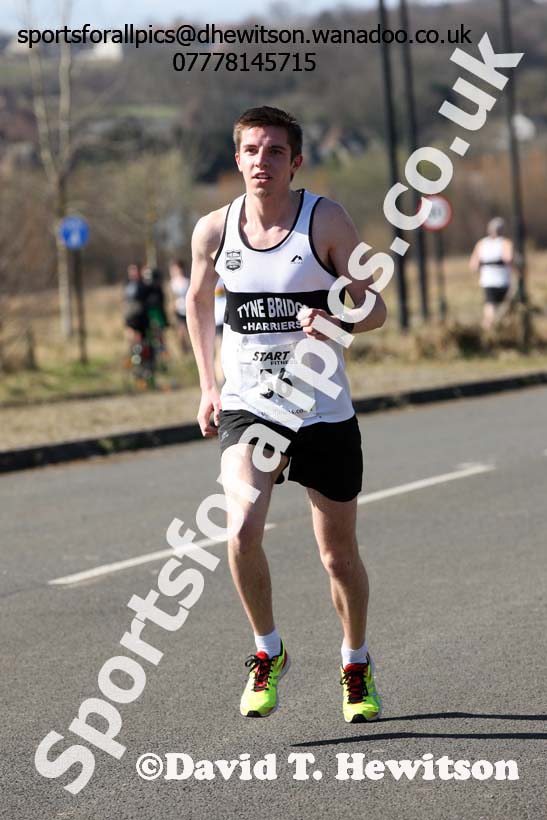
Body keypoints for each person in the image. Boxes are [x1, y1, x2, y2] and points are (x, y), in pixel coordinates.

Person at [186, 106, 387, 723]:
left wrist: (337, 321)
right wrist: (208, 385)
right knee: (241, 531)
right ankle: (268, 651)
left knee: (337, 556)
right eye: (251, 150)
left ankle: (356, 661)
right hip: (250, 409)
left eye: (275, 151)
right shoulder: (213, 231)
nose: (262, 162)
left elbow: (375, 309)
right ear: (237, 159)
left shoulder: (324, 220)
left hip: (322, 410)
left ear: (295, 162)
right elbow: (196, 300)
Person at [469, 217, 514, 330]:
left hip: (488, 281)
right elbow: (509, 258)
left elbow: (473, 265)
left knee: (490, 306)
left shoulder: (481, 244)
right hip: (503, 280)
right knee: (504, 308)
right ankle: (499, 330)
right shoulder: (505, 243)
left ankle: (488, 330)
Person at [169, 259, 191, 354]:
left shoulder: (188, 280)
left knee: (190, 331)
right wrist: (172, 306)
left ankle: (192, 350)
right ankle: (184, 350)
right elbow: (172, 296)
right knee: (181, 332)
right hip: (179, 310)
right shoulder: (173, 282)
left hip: (188, 309)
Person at [123, 262, 148, 343]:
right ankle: (133, 350)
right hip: (129, 313)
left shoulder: (143, 284)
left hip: (139, 313)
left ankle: (139, 349)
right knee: (130, 332)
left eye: (134, 270)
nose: (132, 273)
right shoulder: (127, 283)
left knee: (139, 334)